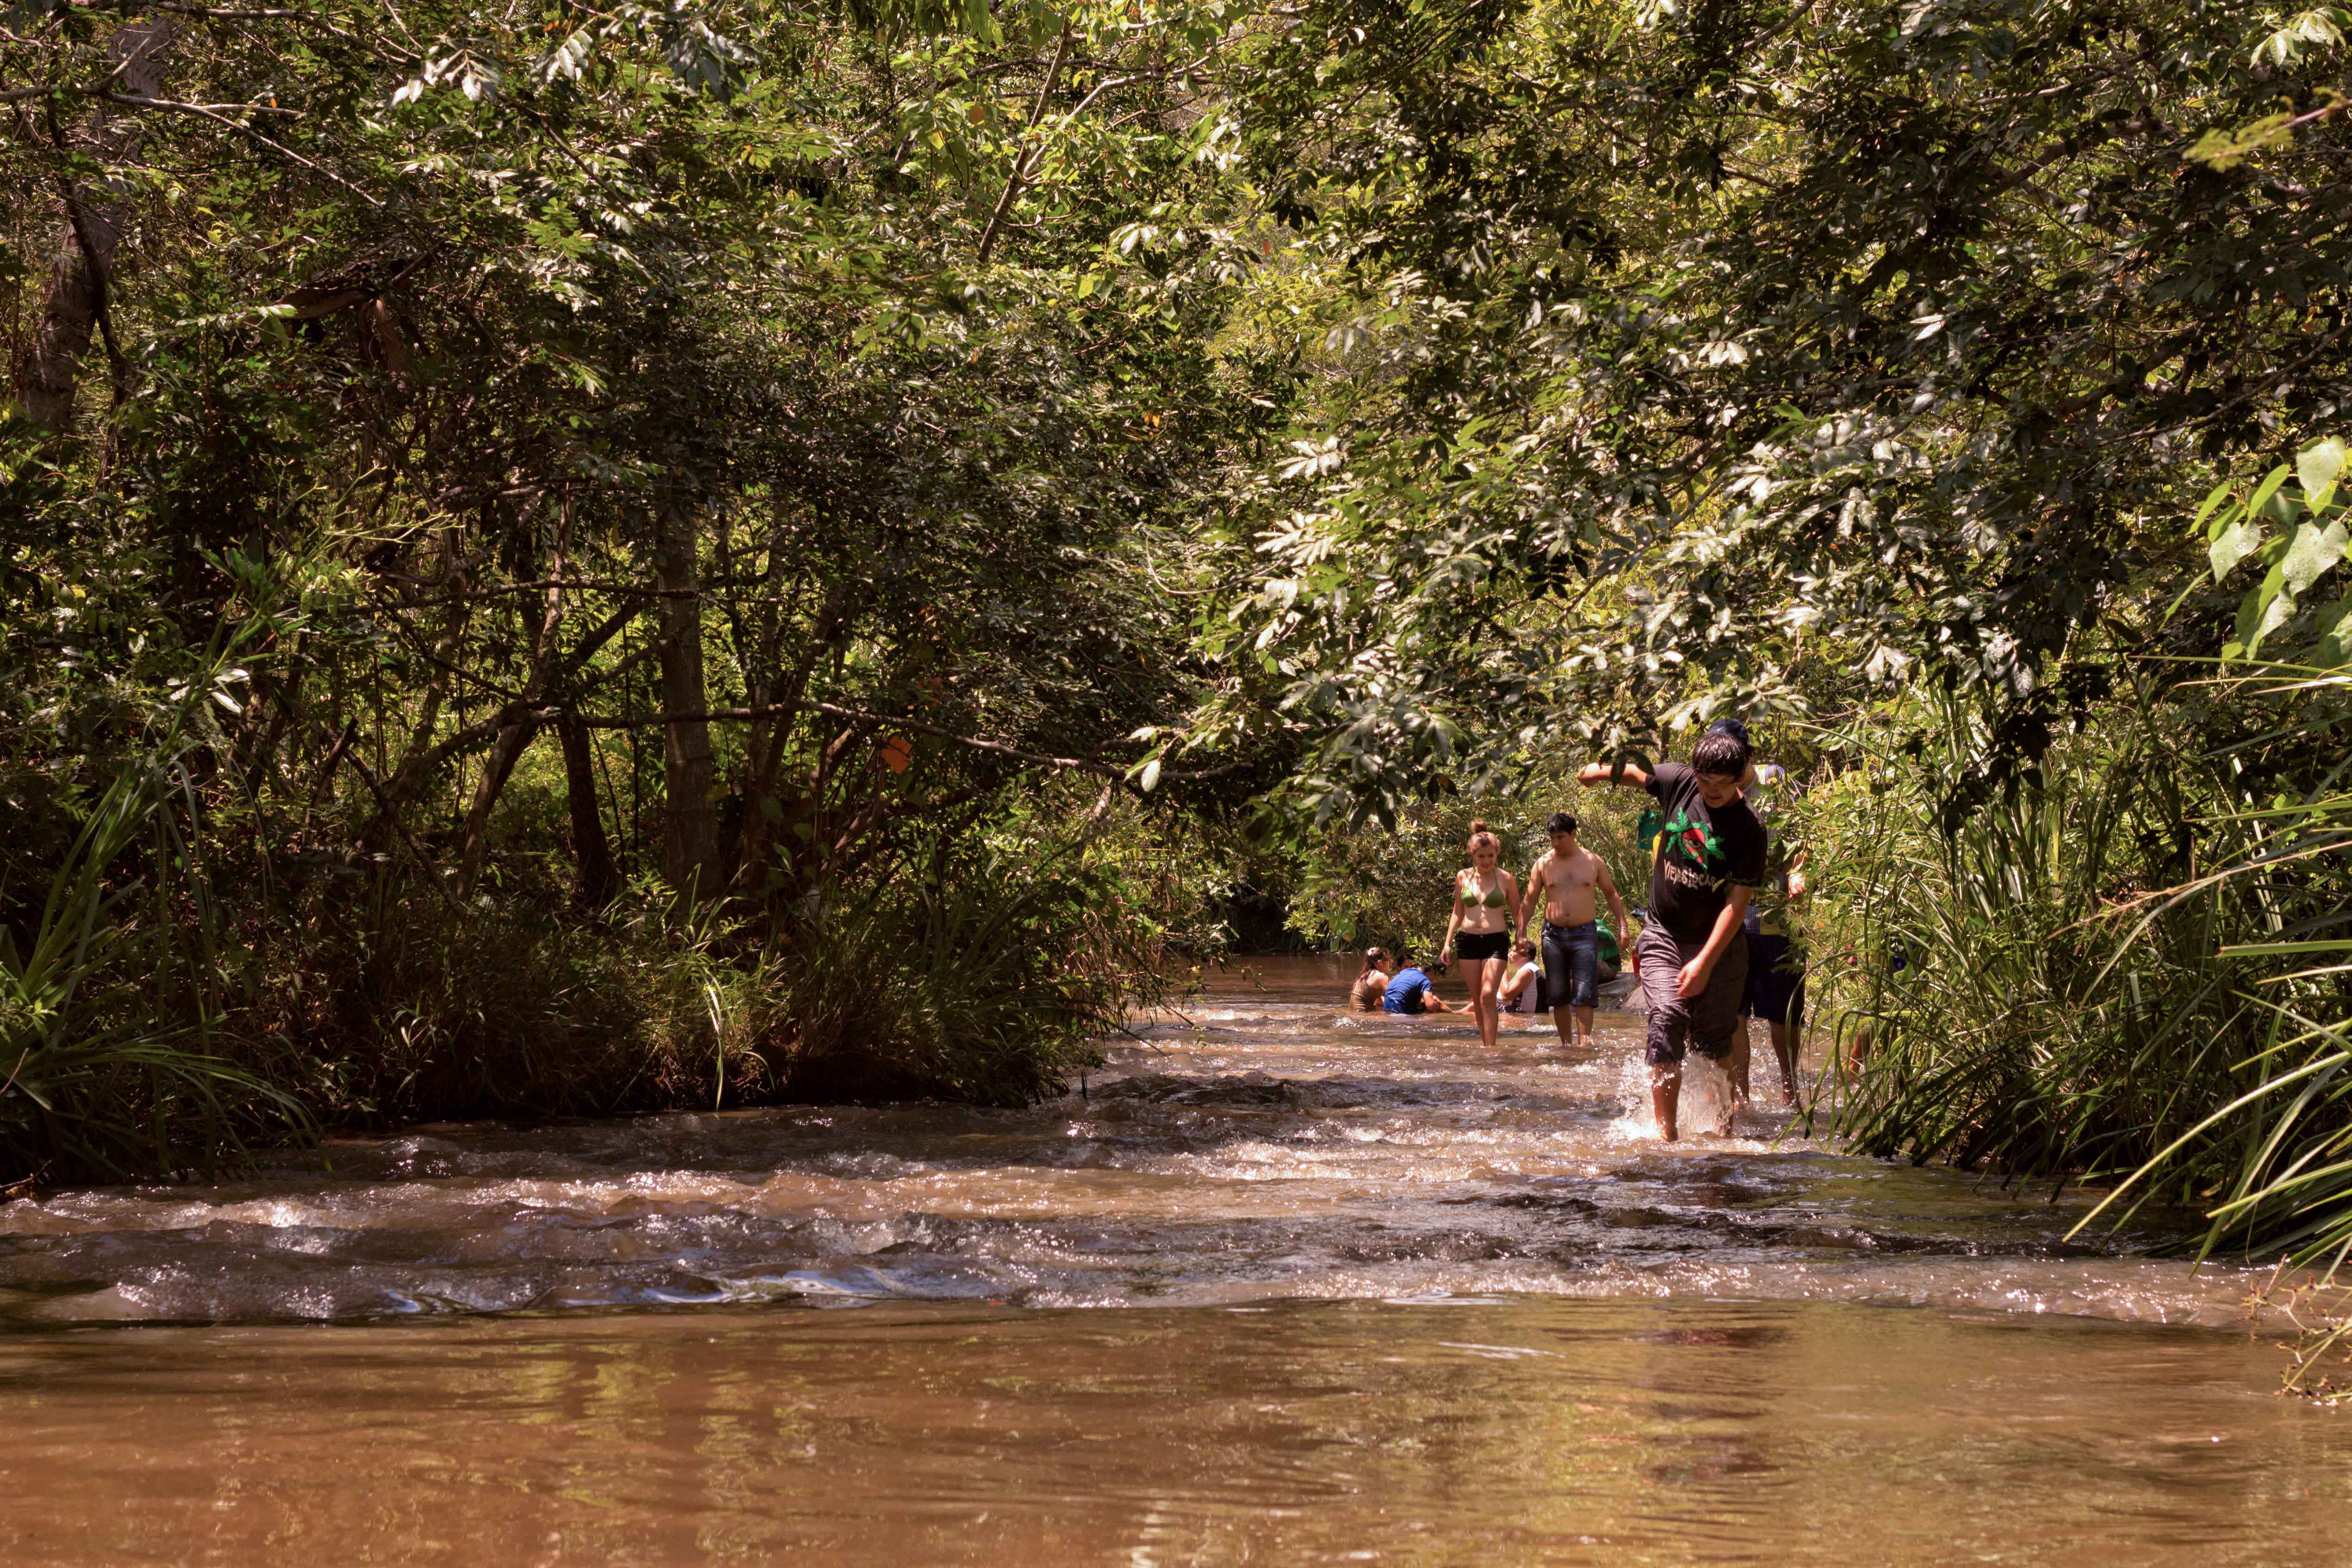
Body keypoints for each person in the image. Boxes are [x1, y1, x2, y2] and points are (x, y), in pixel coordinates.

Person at [1579, 729, 1768, 1140]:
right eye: (1705, 782)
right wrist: (1597, 772)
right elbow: (1635, 774)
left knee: (1714, 1045)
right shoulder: (1681, 781)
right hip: (1663, 932)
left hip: (1717, 948)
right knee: (1665, 1021)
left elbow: (1737, 905)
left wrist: (1704, 961)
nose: (1711, 792)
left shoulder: (1750, 828)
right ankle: (1667, 1140)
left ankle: (1721, 1138)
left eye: (1722, 784)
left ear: (1740, 779)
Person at [1518, 811, 1633, 1049]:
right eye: (1553, 838)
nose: (1556, 843)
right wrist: (1520, 932)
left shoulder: (1593, 862)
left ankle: (1584, 1046)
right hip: (1553, 935)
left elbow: (1611, 894)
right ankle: (1566, 1046)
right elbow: (1529, 900)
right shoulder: (1543, 864)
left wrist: (1623, 926)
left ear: (1573, 834)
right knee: (1558, 994)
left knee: (1584, 994)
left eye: (1561, 838)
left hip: (1585, 934)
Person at [1439, 820, 1522, 1050]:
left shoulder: (1506, 879)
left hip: (1496, 941)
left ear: (1497, 854)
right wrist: (1447, 944)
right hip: (1467, 941)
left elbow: (1517, 913)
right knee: (1478, 999)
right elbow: (1457, 911)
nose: (1486, 861)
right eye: (1481, 857)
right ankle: (1485, 1046)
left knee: (1488, 995)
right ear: (1473, 855)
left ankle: (1491, 1049)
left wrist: (1521, 937)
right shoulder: (1463, 877)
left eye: (1491, 856)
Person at [1382, 953, 1463, 1016]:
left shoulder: (1404, 973)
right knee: (1434, 1001)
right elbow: (1430, 1006)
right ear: (1431, 972)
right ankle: (1455, 1015)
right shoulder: (1424, 980)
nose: (1435, 981)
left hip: (1386, 1013)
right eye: (1437, 978)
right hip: (1400, 1015)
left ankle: (1456, 1013)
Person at [1500, 938, 1545, 1014]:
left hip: (1525, 1016)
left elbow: (1506, 996)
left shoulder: (1528, 970)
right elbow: (1506, 990)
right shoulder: (1527, 968)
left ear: (1525, 955)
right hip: (1524, 1014)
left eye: (1514, 951)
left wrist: (1502, 967)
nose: (1510, 954)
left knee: (1481, 1005)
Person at [1350, 947, 1393, 1012]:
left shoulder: (1364, 975)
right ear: (1380, 963)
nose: (1392, 962)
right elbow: (1396, 997)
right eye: (1389, 960)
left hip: (1354, 1015)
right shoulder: (1381, 977)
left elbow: (1380, 1001)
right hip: (1364, 1017)